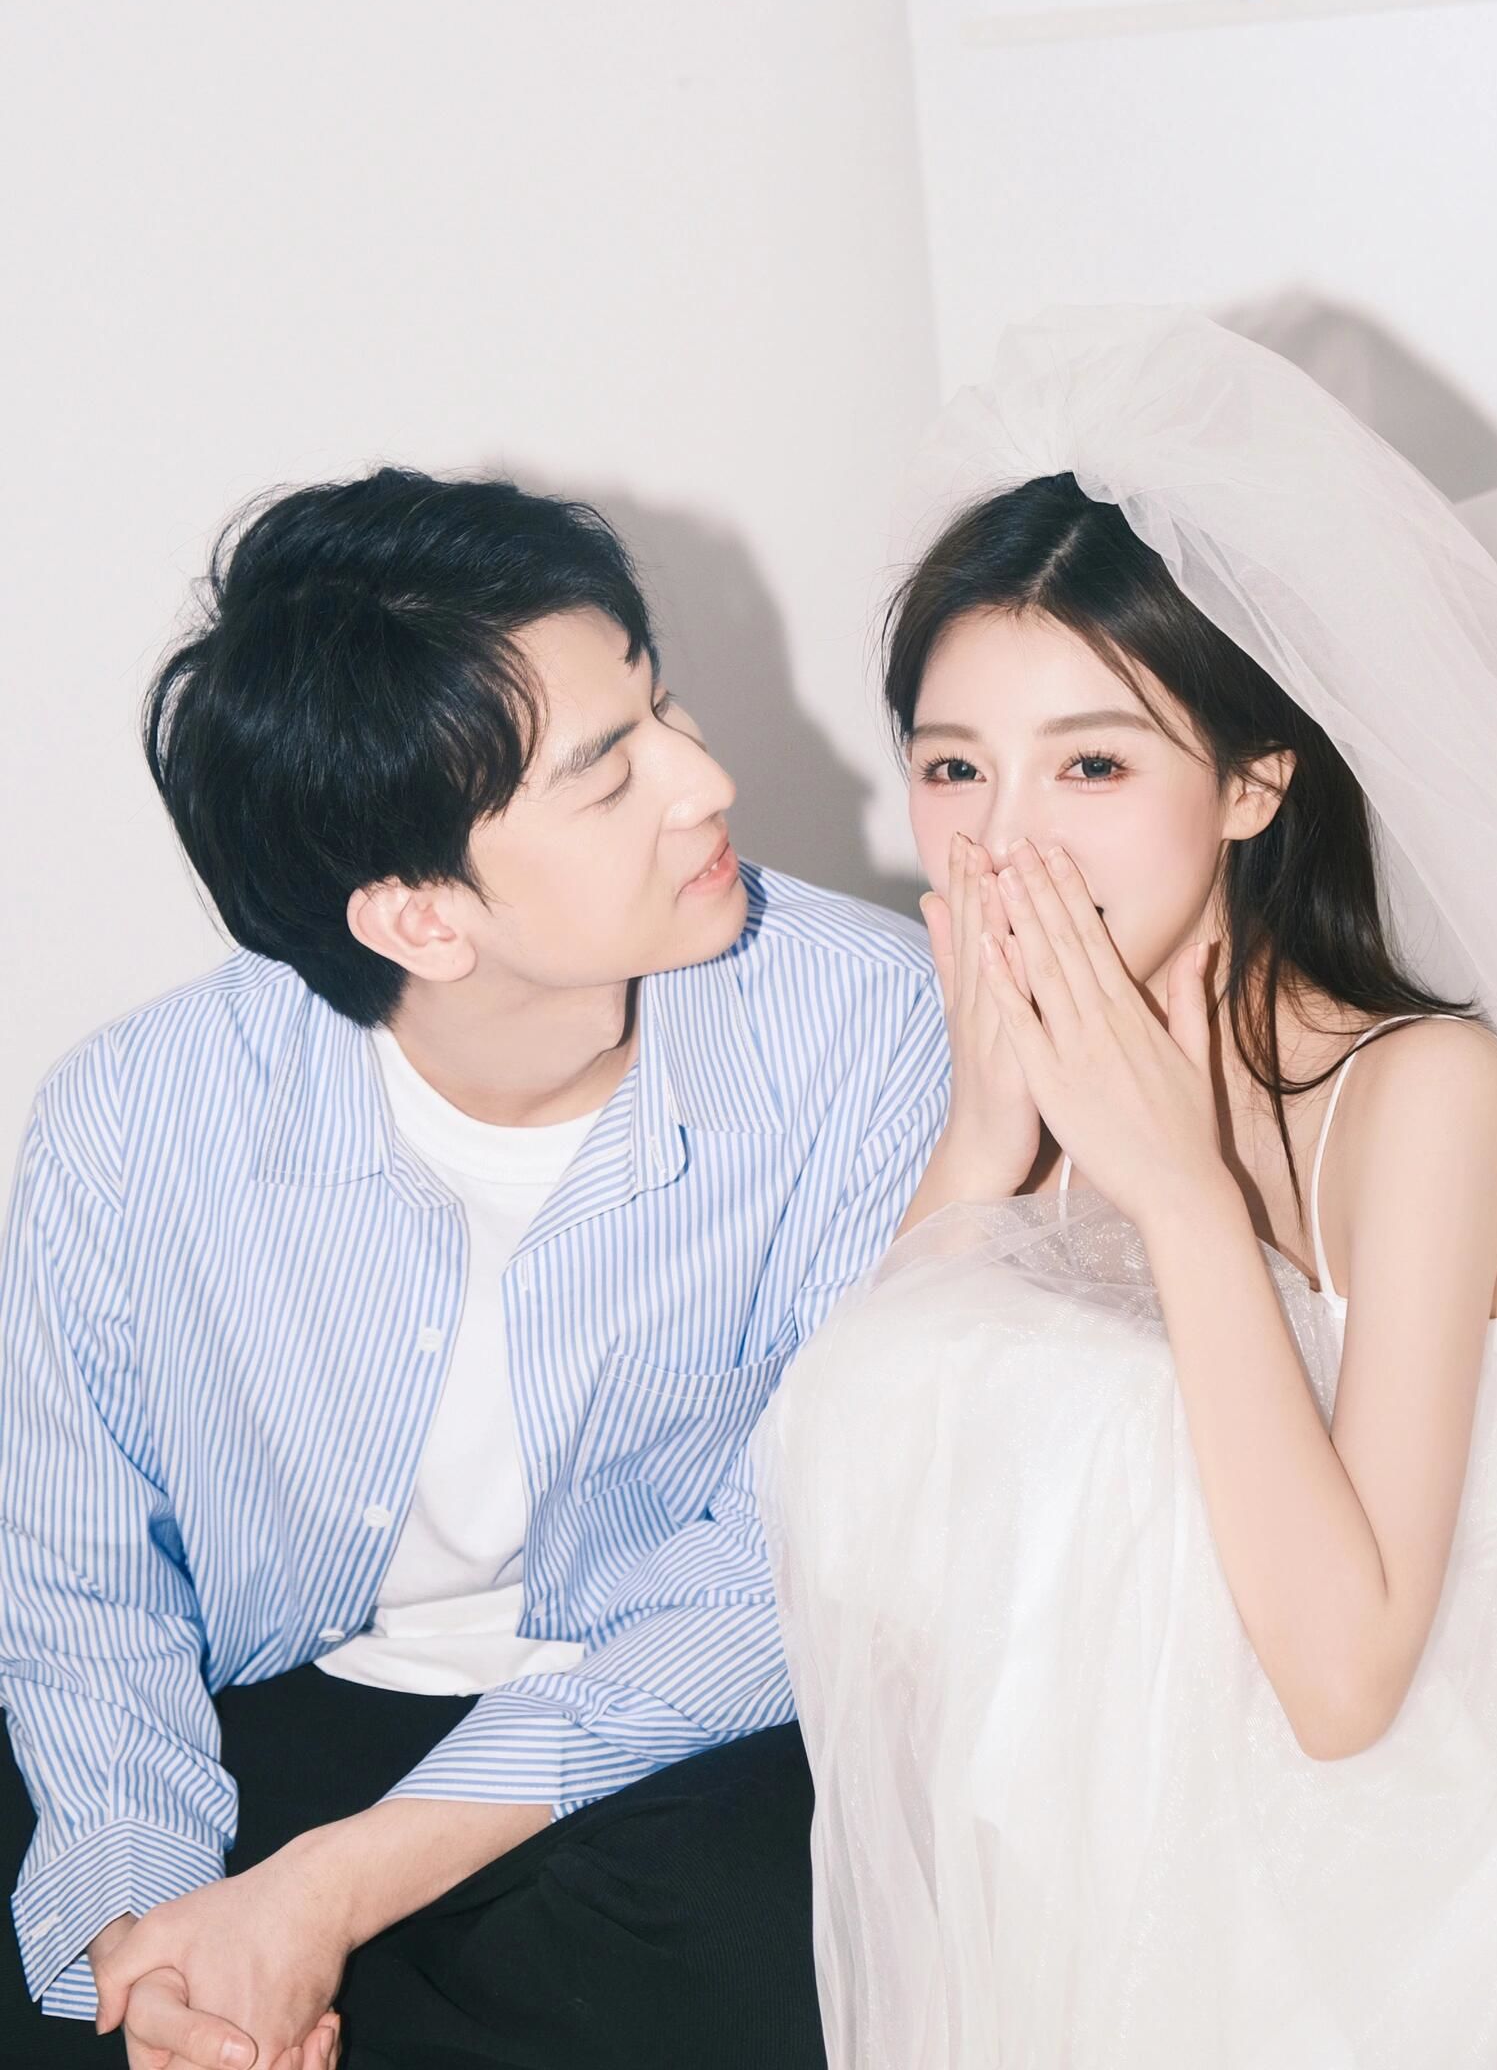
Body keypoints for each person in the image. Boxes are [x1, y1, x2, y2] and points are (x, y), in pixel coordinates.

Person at [756, 307, 1497, 2068]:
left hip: (1487, 1857)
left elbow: (1346, 1688)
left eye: (1092, 764)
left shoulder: (1427, 1096)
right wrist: (983, 1137)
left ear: (1254, 782)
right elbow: (866, 1564)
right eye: (953, 766)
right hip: (1174, 1822)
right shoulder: (1042, 1072)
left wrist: (1180, 1197)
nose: (1000, 841)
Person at [0, 468, 948, 2070]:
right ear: (421, 921)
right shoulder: (133, 1122)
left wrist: (330, 1891)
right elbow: (82, 1591)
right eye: (609, 774)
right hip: (273, 1703)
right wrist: (154, 1949)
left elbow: (787, 1566)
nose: (705, 780)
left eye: (660, 707)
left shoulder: (867, 1026)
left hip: (651, 1723)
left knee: (782, 1956)